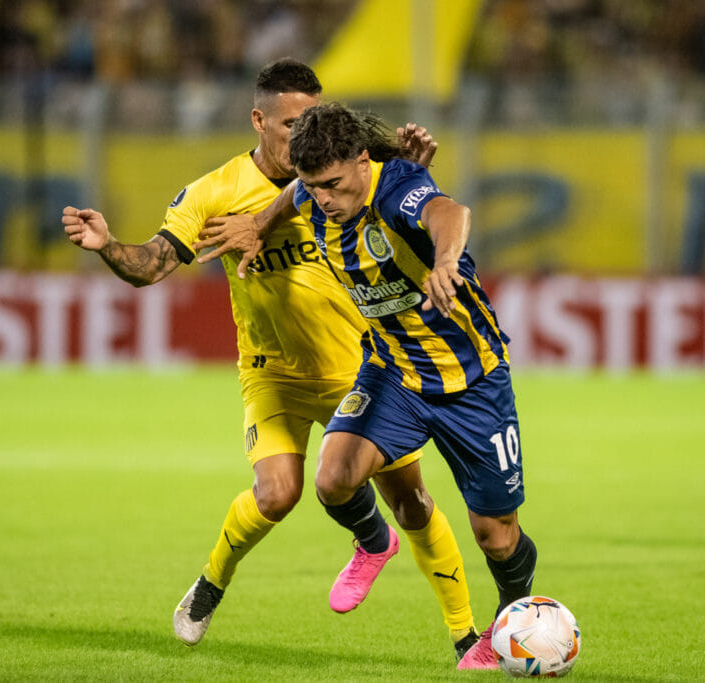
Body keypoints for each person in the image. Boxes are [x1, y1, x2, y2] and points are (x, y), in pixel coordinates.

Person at [61, 59, 485, 664]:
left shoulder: (339, 171)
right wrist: (108, 247)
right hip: (273, 372)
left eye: (311, 119)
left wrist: (414, 170)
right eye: (289, 124)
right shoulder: (214, 193)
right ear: (258, 120)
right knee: (276, 495)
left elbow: (405, 205)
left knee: (412, 501)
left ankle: (467, 639)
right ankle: (212, 583)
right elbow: (153, 262)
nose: (301, 135)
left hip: (362, 365)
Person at [196, 102, 538, 670]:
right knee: (332, 480)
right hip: (393, 373)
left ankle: (512, 617)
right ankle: (375, 541)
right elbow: (292, 198)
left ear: (361, 161)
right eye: (313, 187)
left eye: (332, 184)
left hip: (471, 379)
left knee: (497, 537)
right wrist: (258, 224)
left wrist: (446, 261)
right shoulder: (314, 192)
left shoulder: (396, 185)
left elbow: (450, 212)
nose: (324, 199)